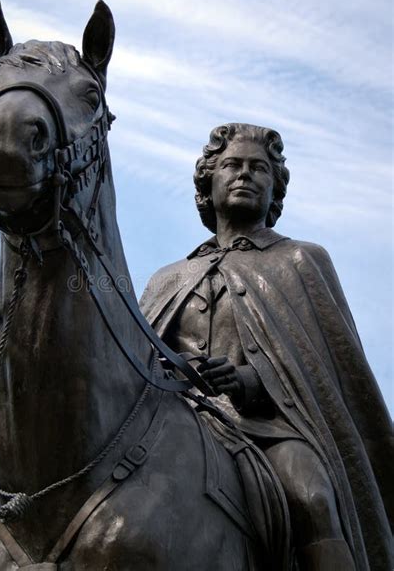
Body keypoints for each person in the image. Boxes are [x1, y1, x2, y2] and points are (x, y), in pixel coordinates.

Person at [140, 123, 393, 570]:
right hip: (174, 425)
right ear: (209, 181)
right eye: (233, 165)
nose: (245, 175)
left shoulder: (300, 260)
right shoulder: (167, 278)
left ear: (274, 190)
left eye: (259, 169)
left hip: (266, 427)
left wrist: (246, 380)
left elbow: (324, 371)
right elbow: (134, 361)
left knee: (312, 497)